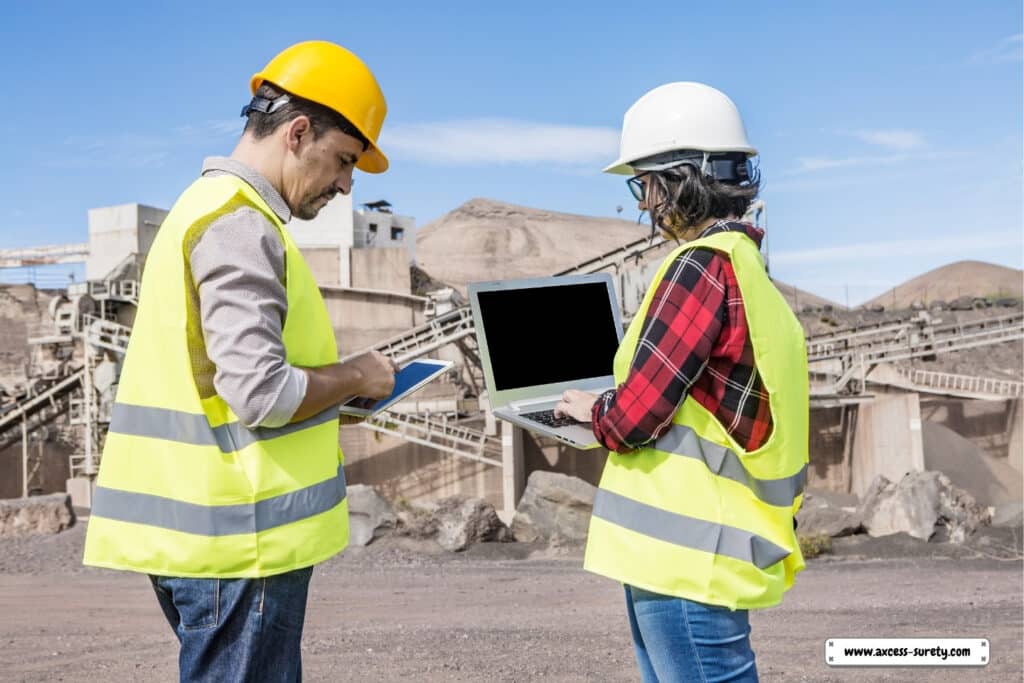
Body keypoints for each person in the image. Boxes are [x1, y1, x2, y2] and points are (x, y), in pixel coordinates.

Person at [83, 41, 398, 682]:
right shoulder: (239, 225)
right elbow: (261, 394)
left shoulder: (202, 208)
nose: (346, 184)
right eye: (344, 160)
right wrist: (357, 376)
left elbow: (217, 389)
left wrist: (334, 398)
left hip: (207, 536)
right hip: (239, 543)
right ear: (298, 132)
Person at [555, 82, 808, 682]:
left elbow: (634, 418)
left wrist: (595, 410)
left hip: (686, 562)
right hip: (704, 553)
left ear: (681, 180)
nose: (645, 202)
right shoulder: (747, 266)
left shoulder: (699, 267)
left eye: (645, 183)